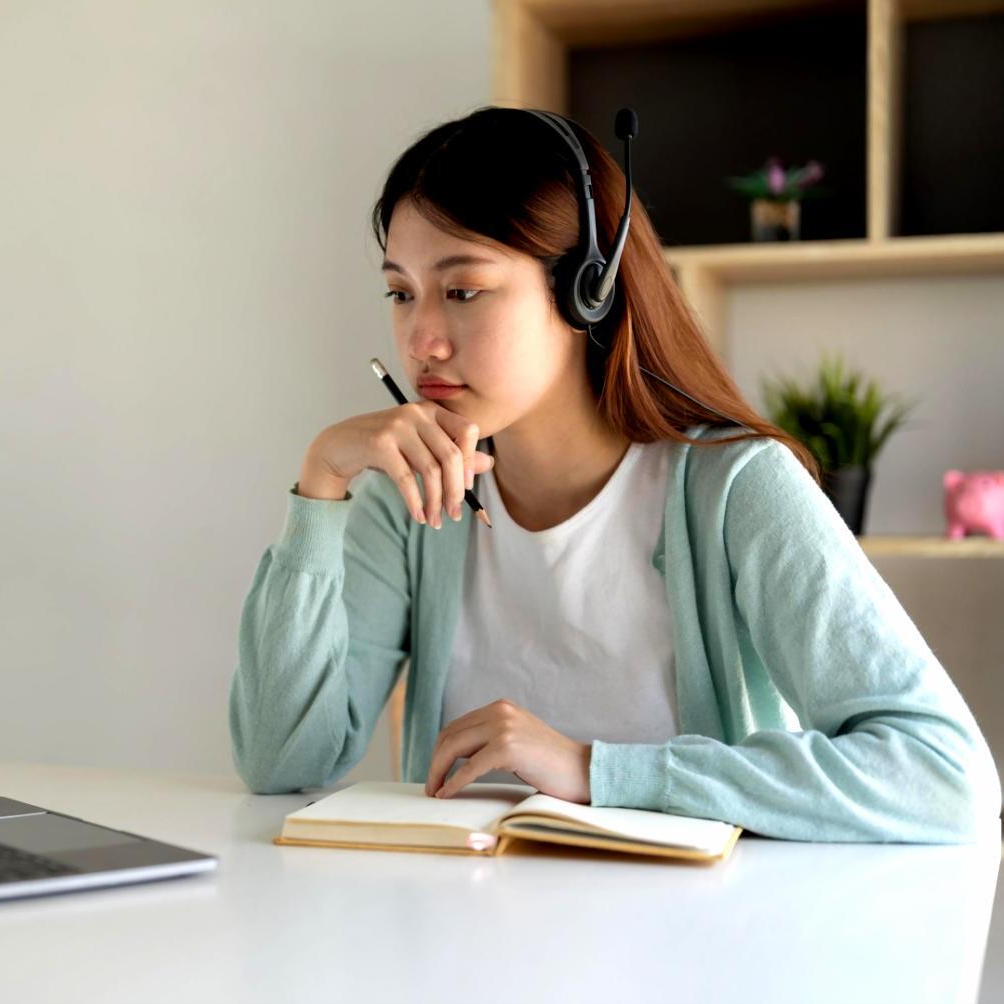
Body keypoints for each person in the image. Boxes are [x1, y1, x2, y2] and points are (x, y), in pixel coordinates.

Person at [228, 105, 1001, 842]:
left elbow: (944, 776)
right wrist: (320, 485)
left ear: (584, 292)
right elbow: (281, 763)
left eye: (462, 290)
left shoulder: (732, 488)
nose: (421, 339)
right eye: (400, 293)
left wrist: (592, 770)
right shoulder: (413, 500)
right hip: (463, 945)